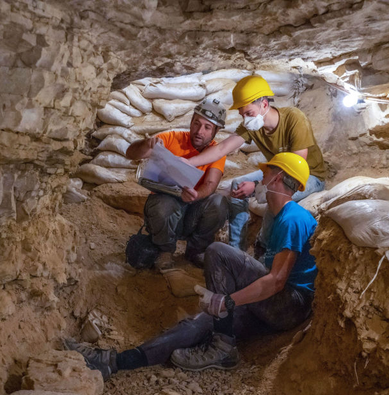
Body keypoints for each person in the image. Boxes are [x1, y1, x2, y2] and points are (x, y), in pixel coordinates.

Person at [65, 153, 318, 378]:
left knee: (218, 251)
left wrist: (228, 300)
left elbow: (276, 281)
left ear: (279, 178)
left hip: (290, 304)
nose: (263, 176)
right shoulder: (278, 218)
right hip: (274, 305)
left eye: (268, 172)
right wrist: (224, 304)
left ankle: (221, 343)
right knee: (201, 321)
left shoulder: (293, 218)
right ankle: (115, 361)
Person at [186, 74, 326, 252]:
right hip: (276, 173)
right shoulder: (252, 125)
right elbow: (222, 149)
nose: (245, 119)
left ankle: (262, 248)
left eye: (249, 113)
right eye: (242, 115)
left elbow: (295, 169)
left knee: (273, 195)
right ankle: (236, 249)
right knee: (237, 185)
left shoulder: (294, 119)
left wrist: (257, 186)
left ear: (264, 105)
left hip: (307, 175)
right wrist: (189, 162)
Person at [126, 98, 229, 270]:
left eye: (207, 127)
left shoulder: (216, 151)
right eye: (196, 123)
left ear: (216, 131)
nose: (199, 131)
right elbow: (131, 154)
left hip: (191, 211)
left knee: (218, 202)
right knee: (163, 204)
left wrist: (197, 195)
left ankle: (196, 251)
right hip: (165, 209)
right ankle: (165, 251)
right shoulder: (171, 138)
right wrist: (145, 144)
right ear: (190, 121)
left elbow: (211, 183)